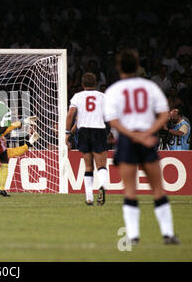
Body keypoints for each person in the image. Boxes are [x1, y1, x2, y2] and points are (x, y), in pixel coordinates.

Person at [104, 49, 179, 245]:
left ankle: (133, 236)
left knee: (130, 190)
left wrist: (134, 136)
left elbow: (113, 122)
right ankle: (168, 234)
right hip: (148, 139)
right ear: (138, 66)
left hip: (127, 141)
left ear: (119, 68)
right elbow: (163, 114)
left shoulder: (113, 91)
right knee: (158, 189)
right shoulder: (150, 87)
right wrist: (146, 135)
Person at [65, 72, 109, 206]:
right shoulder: (103, 97)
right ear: (96, 84)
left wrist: (67, 133)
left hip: (83, 130)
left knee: (88, 165)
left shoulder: (77, 97)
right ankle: (102, 185)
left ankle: (89, 197)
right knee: (101, 165)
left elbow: (70, 115)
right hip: (99, 129)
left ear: (82, 84)